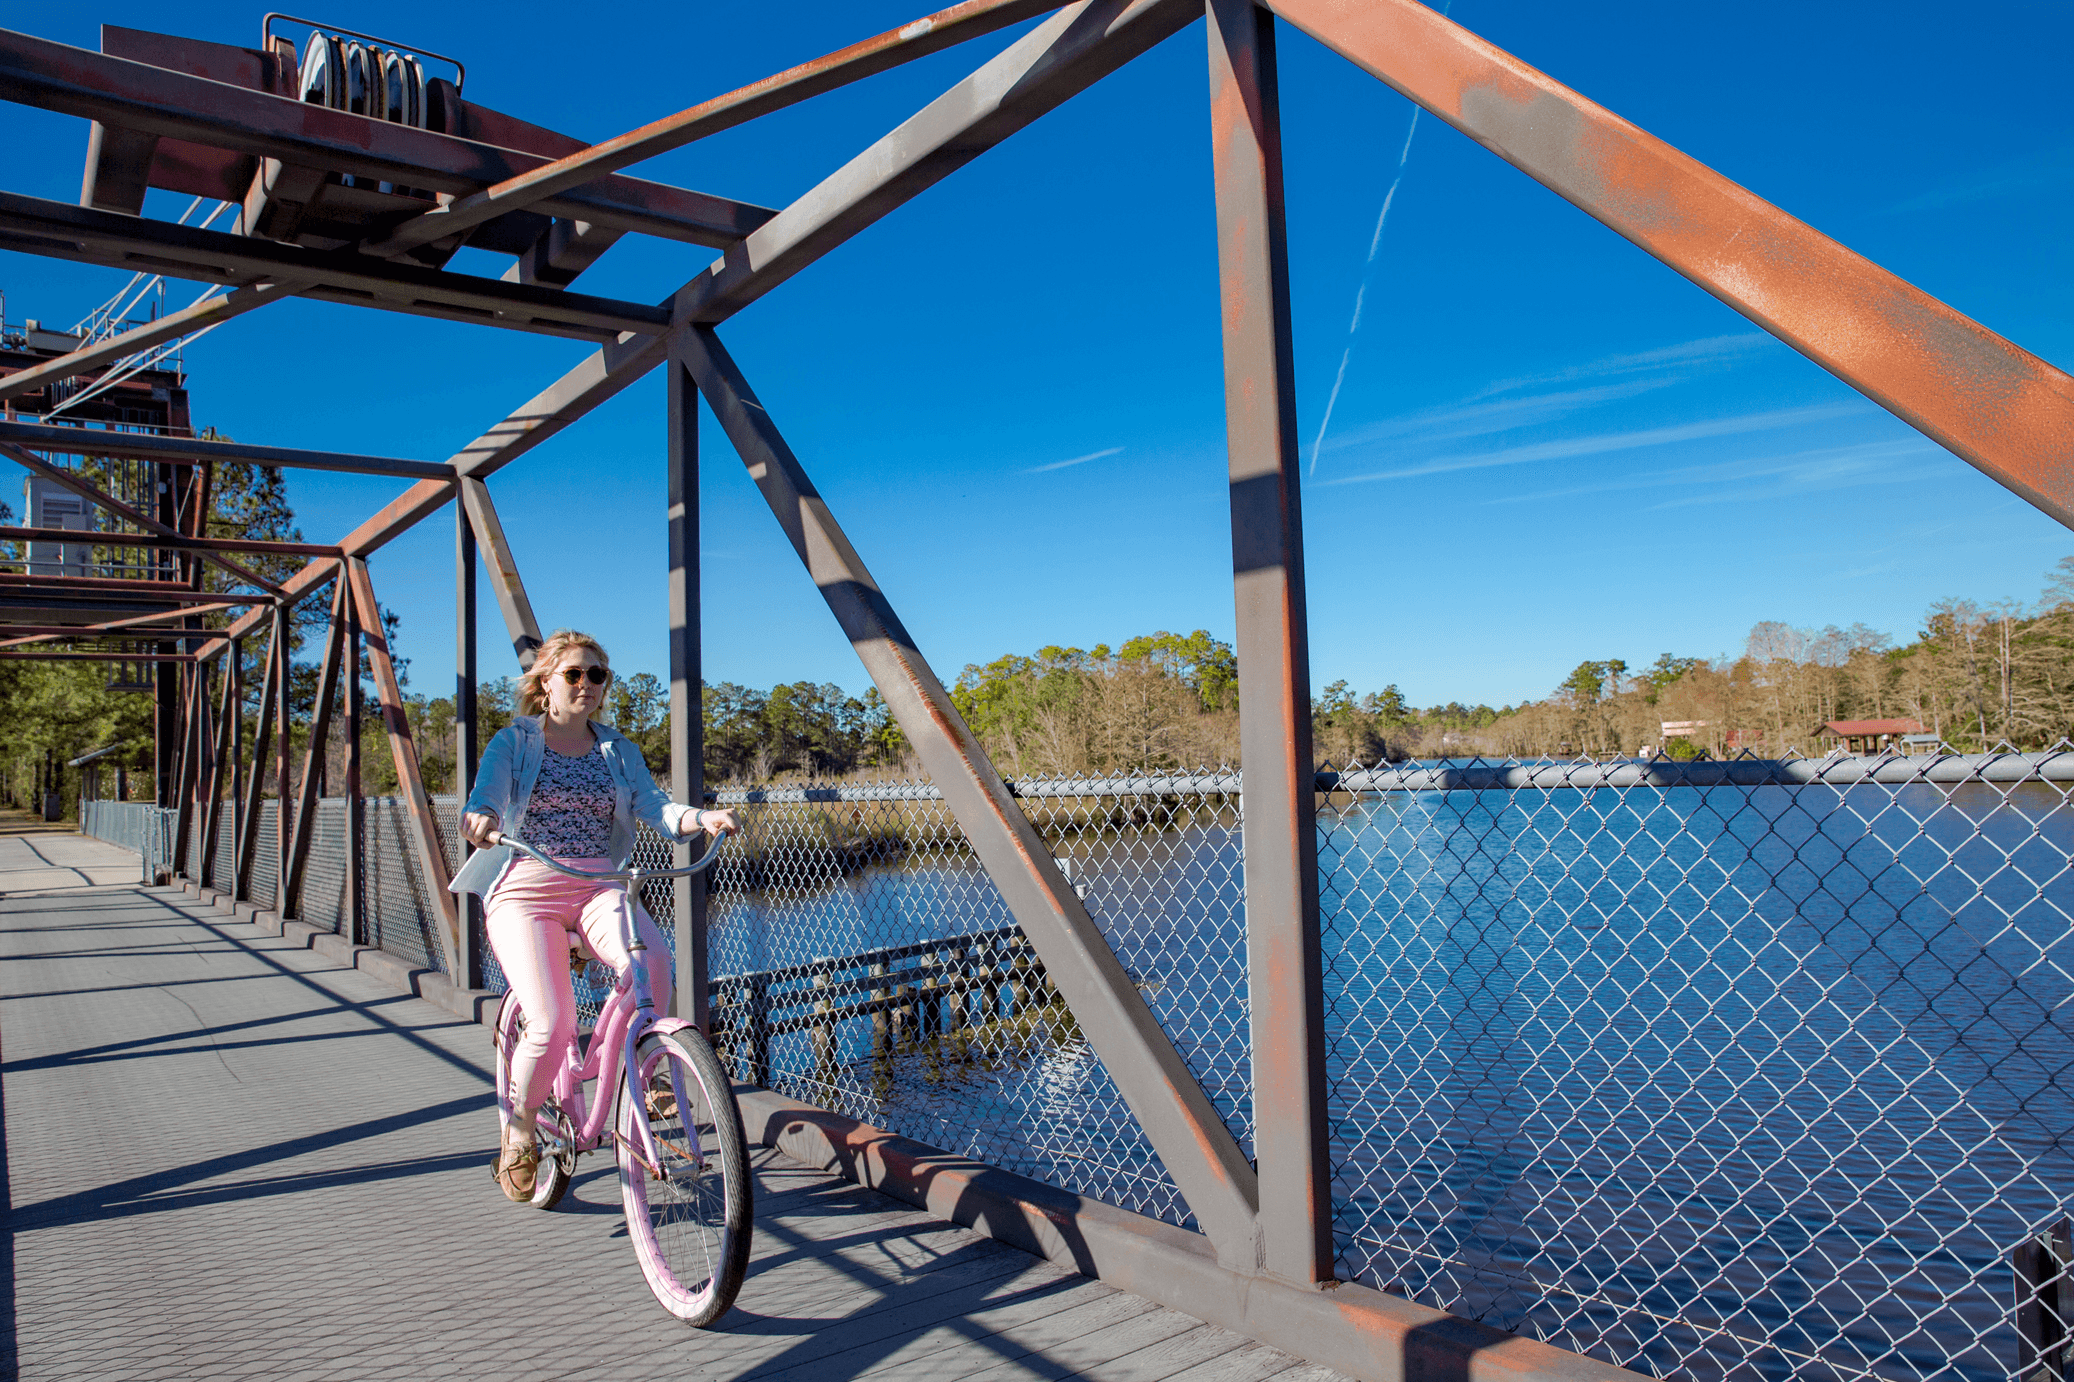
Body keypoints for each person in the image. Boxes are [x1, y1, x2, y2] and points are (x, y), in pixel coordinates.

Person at [460, 629, 738, 1202]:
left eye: (597, 675)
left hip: (597, 885)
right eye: (574, 674)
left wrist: (699, 819)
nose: (587, 684)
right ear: (545, 684)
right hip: (526, 890)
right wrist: (481, 821)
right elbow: (483, 799)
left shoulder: (617, 749)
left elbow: (655, 808)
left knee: (654, 963)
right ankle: (519, 1125)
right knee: (554, 1018)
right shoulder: (513, 742)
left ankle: (645, 1056)